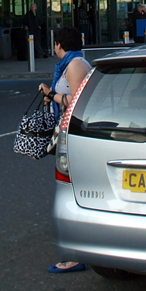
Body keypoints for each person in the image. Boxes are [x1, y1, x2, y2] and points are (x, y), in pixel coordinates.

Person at [38, 26, 92, 273]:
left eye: (55, 43)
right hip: (67, 132)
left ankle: (76, 255)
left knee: (73, 190)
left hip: (74, 135)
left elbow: (76, 102)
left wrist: (52, 94)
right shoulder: (70, 64)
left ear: (59, 45)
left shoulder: (75, 66)